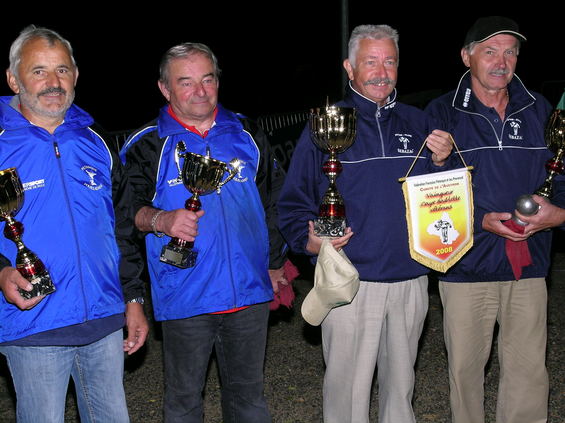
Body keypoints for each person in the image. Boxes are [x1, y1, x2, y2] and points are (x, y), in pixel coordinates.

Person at [278, 24, 453, 423]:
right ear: (350, 68)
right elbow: (293, 203)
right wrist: (312, 241)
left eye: (389, 61)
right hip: (351, 283)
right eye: (370, 61)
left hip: (411, 279)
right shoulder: (326, 124)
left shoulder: (418, 121)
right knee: (347, 395)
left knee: (401, 391)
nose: (381, 71)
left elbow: (445, 199)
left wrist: (444, 163)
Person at [120, 42, 287, 423]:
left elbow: (271, 201)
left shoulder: (247, 131)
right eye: (186, 82)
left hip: (249, 293)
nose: (200, 91)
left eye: (208, 79)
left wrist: (276, 264)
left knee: (249, 400)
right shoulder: (147, 143)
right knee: (183, 402)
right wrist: (161, 220)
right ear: (165, 89)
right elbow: (126, 217)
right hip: (185, 295)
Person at [0, 26, 148, 422]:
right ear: (14, 79)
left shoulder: (96, 143)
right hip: (34, 321)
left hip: (102, 319)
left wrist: (133, 299)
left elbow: (122, 230)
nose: (53, 82)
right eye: (39, 71)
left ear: (76, 76)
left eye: (62, 70)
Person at [425, 16, 565, 423]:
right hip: (467, 263)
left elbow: (561, 175)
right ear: (467, 56)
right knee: (465, 373)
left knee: (528, 373)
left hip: (529, 262)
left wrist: (558, 215)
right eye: (490, 51)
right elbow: (425, 194)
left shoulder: (539, 109)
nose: (501, 61)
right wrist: (480, 219)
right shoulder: (441, 111)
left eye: (510, 52)